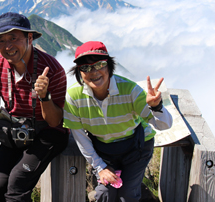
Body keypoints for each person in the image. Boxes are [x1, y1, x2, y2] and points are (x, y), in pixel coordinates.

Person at [0, 12, 69, 202]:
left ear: (30, 38)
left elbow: (55, 120)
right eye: (1, 41)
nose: (7, 46)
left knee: (17, 185)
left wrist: (45, 97)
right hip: (16, 130)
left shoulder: (52, 68)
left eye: (13, 38)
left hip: (48, 133)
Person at [63, 41, 173, 202]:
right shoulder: (73, 97)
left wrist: (157, 107)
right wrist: (100, 167)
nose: (93, 72)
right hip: (104, 151)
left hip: (137, 147)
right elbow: (81, 138)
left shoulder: (130, 90)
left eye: (99, 64)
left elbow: (164, 125)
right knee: (104, 194)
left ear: (109, 66)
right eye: (85, 67)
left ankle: (132, 186)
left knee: (127, 195)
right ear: (79, 72)